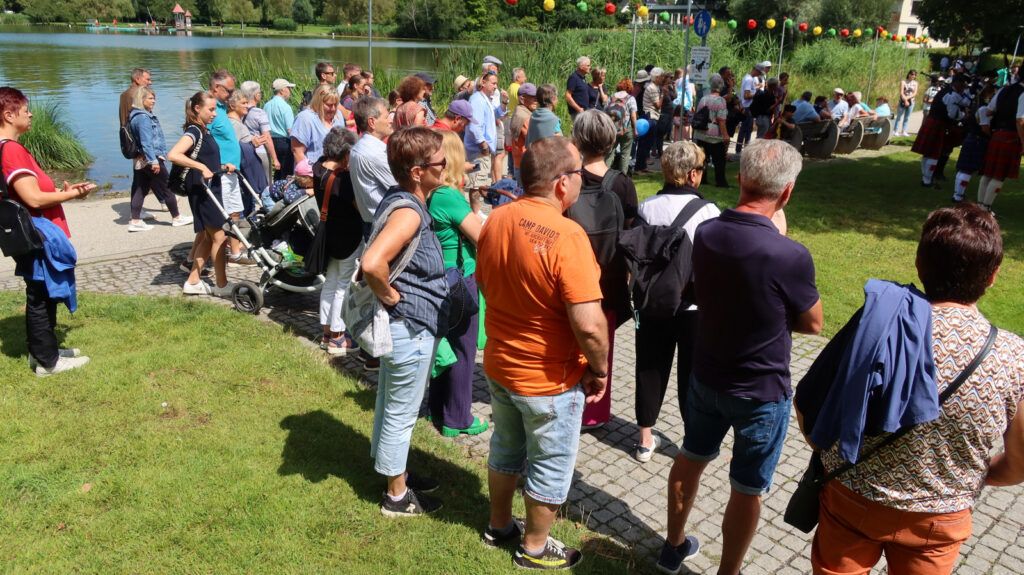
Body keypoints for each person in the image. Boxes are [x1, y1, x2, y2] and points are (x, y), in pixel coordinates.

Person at [797, 204, 1024, 575]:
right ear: (993, 276)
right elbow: (1019, 463)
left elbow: (808, 403)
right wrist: (969, 479)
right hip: (940, 520)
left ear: (919, 263)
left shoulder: (876, 327)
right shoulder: (1014, 357)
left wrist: (827, 452)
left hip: (853, 496)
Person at [658, 139, 823, 575]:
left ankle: (672, 546)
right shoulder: (790, 254)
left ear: (741, 177)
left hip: (707, 376)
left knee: (691, 456)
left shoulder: (708, 232)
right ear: (786, 192)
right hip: (761, 392)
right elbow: (813, 323)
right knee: (748, 488)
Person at [476, 136, 609, 570]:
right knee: (550, 464)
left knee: (505, 447)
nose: (582, 181)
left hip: (500, 365)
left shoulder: (497, 218)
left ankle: (498, 525)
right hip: (549, 381)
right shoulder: (568, 236)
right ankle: (534, 547)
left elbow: (485, 281)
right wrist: (599, 368)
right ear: (561, 183)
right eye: (579, 174)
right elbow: (589, 325)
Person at [362, 127, 449, 517]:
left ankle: (394, 472)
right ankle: (396, 497)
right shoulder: (408, 213)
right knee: (402, 412)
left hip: (403, 328)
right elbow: (372, 263)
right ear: (417, 172)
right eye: (440, 162)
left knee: (390, 404)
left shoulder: (401, 198)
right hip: (409, 327)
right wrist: (391, 296)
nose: (446, 166)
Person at [633, 141, 721, 463]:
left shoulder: (646, 208)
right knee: (692, 373)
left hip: (653, 302)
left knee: (649, 366)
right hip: (693, 306)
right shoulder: (710, 213)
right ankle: (691, 440)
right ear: (693, 174)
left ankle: (644, 439)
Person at [1, 86, 95, 376]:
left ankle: (43, 350)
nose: (30, 114)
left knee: (43, 290)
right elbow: (32, 199)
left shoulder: (7, 148)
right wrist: (71, 195)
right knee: (40, 295)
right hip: (35, 232)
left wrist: (60, 191)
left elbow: (31, 191)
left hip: (29, 231)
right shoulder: (11, 150)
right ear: (8, 115)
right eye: (25, 109)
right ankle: (47, 361)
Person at [568, 110, 638, 431]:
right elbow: (631, 232)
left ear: (577, 140)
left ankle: (566, 400)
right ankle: (594, 413)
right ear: (611, 141)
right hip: (609, 280)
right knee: (602, 344)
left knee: (570, 340)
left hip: (572, 275)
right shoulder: (622, 184)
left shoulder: (567, 179)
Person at [427, 130, 487, 438]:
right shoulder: (448, 196)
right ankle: (458, 418)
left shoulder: (429, 193)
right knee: (464, 348)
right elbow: (481, 236)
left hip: (439, 276)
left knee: (444, 343)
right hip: (460, 279)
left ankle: (437, 408)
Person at [168, 91, 234, 298]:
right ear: (197, 108)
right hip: (202, 191)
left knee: (207, 237)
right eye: (211, 109)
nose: (214, 114)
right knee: (220, 237)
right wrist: (200, 167)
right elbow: (173, 154)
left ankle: (193, 281)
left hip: (208, 189)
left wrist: (222, 166)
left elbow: (206, 159)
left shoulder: (204, 130)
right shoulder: (194, 131)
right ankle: (221, 285)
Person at [312, 127, 362, 356]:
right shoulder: (343, 179)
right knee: (343, 285)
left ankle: (326, 332)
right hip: (348, 236)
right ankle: (338, 337)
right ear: (345, 153)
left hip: (328, 234)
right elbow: (358, 207)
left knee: (331, 282)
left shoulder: (318, 168)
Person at [125, 87, 190, 231]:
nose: (154, 101)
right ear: (141, 99)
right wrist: (153, 161)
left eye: (154, 98)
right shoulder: (143, 117)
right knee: (167, 186)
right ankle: (177, 217)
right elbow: (146, 142)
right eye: (150, 98)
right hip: (151, 158)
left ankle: (135, 221)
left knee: (140, 188)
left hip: (141, 159)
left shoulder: (134, 115)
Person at [207, 69, 250, 266]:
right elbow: (205, 140)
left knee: (235, 211)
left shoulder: (221, 108)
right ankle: (198, 260)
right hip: (221, 171)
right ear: (217, 87)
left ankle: (235, 251)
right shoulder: (210, 109)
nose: (232, 95)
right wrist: (219, 164)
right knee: (223, 216)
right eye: (229, 91)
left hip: (231, 170)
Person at [350, 95, 396, 246]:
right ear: (372, 122)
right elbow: (401, 187)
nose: (390, 120)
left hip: (372, 222)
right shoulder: (374, 153)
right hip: (383, 226)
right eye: (386, 117)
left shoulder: (359, 147)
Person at [976, 73, 1024, 212]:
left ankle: (980, 206)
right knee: (999, 175)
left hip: (997, 134)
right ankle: (986, 208)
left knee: (988, 173)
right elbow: (1020, 120)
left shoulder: (1004, 89)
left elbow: (989, 111)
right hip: (1012, 136)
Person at [912, 76, 970, 188]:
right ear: (957, 83)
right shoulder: (952, 95)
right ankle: (927, 180)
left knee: (928, 153)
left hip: (933, 122)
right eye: (963, 85)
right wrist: (964, 115)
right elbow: (952, 114)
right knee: (933, 154)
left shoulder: (947, 91)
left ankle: (925, 178)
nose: (964, 88)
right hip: (938, 124)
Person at [226, 91, 267, 213]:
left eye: (247, 103)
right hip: (240, 171)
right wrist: (251, 144)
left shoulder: (236, 122)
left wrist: (253, 143)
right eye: (243, 103)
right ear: (232, 105)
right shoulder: (234, 124)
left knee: (248, 200)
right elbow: (234, 148)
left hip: (242, 170)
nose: (247, 106)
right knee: (245, 202)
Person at [291, 85, 346, 168]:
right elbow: (297, 152)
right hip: (313, 172)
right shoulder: (305, 118)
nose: (333, 108)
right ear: (319, 102)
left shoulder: (338, 115)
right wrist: (309, 173)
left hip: (336, 172)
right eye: (329, 105)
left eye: (336, 105)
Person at [692, 74, 730, 188]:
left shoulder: (703, 98)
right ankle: (721, 182)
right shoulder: (721, 101)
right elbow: (721, 120)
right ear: (721, 86)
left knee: (702, 158)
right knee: (719, 160)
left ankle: (702, 179)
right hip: (714, 135)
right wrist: (725, 136)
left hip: (701, 133)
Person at [239, 81, 280, 185]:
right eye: (260, 92)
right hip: (260, 151)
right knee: (266, 182)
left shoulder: (240, 112)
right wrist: (275, 158)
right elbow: (267, 137)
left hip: (246, 151)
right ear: (256, 95)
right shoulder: (259, 113)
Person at [465, 72, 498, 190]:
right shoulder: (478, 100)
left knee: (479, 184)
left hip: (481, 151)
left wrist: (504, 103)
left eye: (496, 84)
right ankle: (475, 204)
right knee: (477, 186)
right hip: (478, 151)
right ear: (483, 83)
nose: (495, 87)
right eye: (493, 83)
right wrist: (484, 146)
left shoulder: (484, 99)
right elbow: (474, 126)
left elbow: (494, 115)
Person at [264, 78, 296, 179]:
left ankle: (276, 187)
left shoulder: (266, 105)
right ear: (282, 90)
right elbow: (290, 130)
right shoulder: (286, 107)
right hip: (284, 142)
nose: (290, 91)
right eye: (288, 88)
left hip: (270, 141)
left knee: (277, 172)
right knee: (286, 173)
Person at [636, 67, 665, 173]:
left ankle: (642, 166)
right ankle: (639, 167)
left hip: (652, 116)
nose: (663, 78)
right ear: (657, 77)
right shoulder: (652, 88)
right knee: (645, 142)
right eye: (661, 76)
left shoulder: (654, 87)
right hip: (650, 116)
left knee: (648, 142)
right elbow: (657, 105)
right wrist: (663, 94)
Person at [607, 79, 639, 175]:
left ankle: (605, 175)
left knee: (610, 153)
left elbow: (605, 112)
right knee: (625, 154)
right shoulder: (630, 98)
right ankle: (623, 177)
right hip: (626, 129)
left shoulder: (611, 97)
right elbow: (633, 116)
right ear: (629, 87)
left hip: (612, 129)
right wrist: (635, 130)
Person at [507, 83, 536, 178]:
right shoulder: (524, 117)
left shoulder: (519, 111)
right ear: (522, 99)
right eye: (532, 97)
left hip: (520, 162)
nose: (536, 100)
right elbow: (533, 140)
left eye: (536, 97)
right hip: (525, 164)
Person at [736, 63, 764, 155]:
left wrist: (756, 89)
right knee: (746, 130)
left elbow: (748, 91)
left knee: (746, 129)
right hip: (747, 107)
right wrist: (757, 94)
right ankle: (741, 151)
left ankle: (741, 149)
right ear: (756, 70)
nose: (759, 75)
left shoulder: (747, 78)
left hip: (747, 107)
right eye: (759, 72)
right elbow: (746, 95)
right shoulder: (749, 80)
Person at [525, 83, 562, 148]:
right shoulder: (553, 119)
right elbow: (560, 142)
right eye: (556, 97)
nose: (557, 100)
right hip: (546, 153)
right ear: (553, 99)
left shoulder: (534, 115)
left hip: (533, 152)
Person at [894, 70, 919, 137]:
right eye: (912, 74)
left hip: (911, 101)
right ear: (909, 74)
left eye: (914, 75)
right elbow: (901, 92)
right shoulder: (903, 82)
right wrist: (905, 100)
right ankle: (895, 130)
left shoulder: (915, 83)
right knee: (899, 116)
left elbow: (915, 93)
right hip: (902, 101)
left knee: (907, 117)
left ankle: (904, 131)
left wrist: (908, 98)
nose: (913, 76)